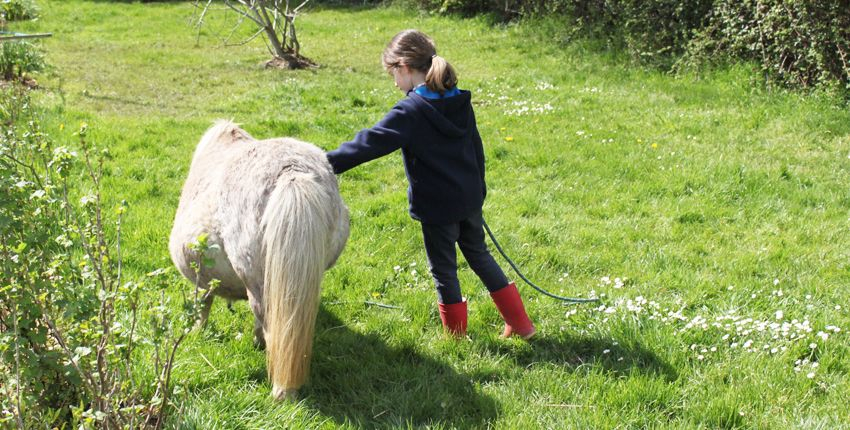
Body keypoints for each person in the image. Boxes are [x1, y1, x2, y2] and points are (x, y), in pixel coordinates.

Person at [326, 29, 535, 339]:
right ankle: (522, 325)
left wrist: (319, 162)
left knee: (444, 270)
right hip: (469, 198)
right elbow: (476, 149)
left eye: (392, 74)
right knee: (480, 255)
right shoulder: (459, 99)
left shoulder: (410, 112)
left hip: (438, 208)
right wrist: (478, 190)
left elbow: (368, 144)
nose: (394, 83)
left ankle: (456, 338)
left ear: (404, 67)